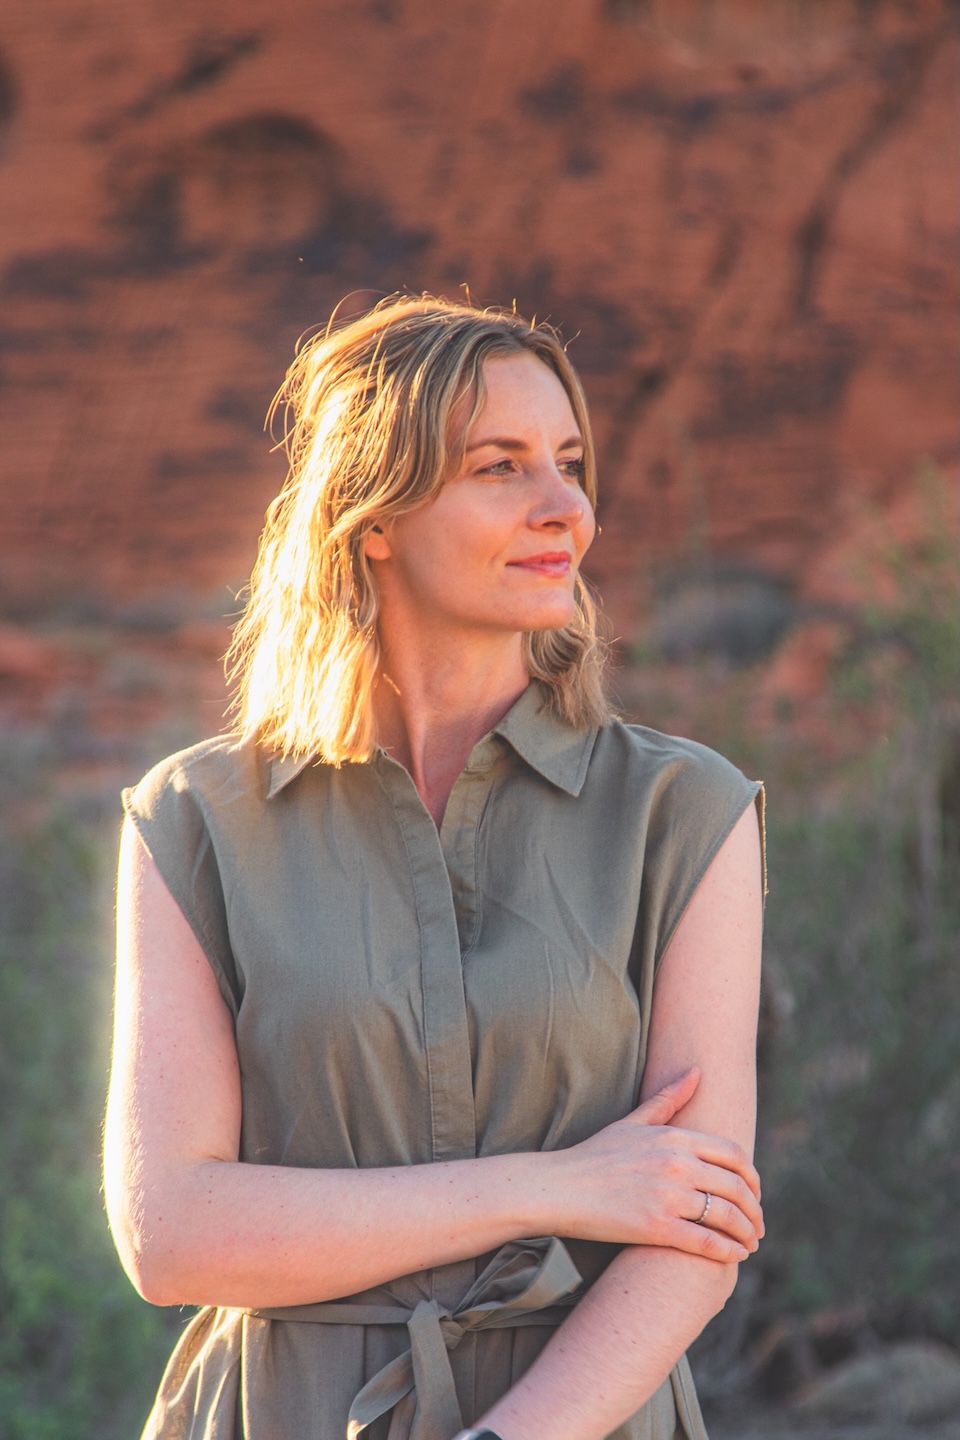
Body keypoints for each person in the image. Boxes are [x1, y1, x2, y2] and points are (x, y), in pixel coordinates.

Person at [104, 294, 765, 1440]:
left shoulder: (684, 810)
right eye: (501, 467)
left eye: (570, 463)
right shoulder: (195, 820)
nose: (567, 509)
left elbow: (697, 1227)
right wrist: (552, 1185)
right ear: (373, 517)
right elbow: (172, 1236)